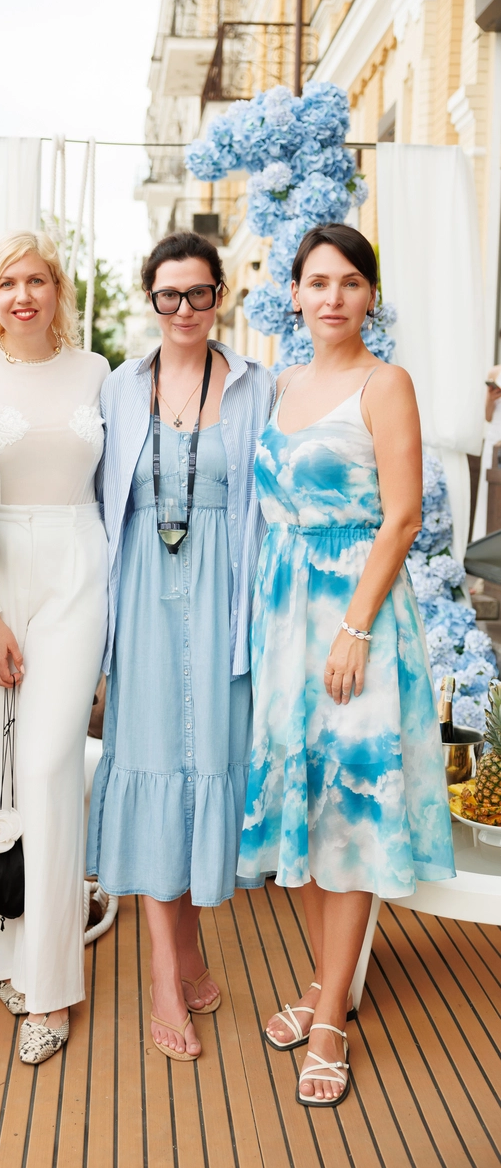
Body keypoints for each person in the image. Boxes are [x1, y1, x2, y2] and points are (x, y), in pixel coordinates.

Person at [237, 224, 455, 1107]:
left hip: (354, 616)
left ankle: (329, 1017)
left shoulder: (384, 383)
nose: (332, 296)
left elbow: (401, 517)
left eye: (349, 282)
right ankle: (324, 981)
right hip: (283, 615)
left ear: (370, 295)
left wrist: (354, 628)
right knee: (302, 795)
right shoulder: (281, 382)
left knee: (350, 810)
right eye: (317, 281)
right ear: (293, 293)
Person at [87, 231, 275, 1061]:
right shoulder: (119, 386)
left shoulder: (258, 386)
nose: (184, 309)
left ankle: (191, 950)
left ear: (219, 296)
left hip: (224, 594)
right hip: (141, 591)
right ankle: (166, 972)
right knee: (155, 761)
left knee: (206, 767)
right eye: (169, 295)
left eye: (199, 293)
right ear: (150, 299)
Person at [0, 230, 109, 1065]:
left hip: (78, 569)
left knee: (47, 766)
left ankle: (47, 984)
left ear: (57, 290)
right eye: (7, 281)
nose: (22, 295)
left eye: (36, 279)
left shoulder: (97, 372)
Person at [470, 362, 501, 540]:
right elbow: (488, 417)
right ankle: (485, 539)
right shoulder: (494, 372)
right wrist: (491, 398)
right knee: (489, 492)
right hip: (494, 437)